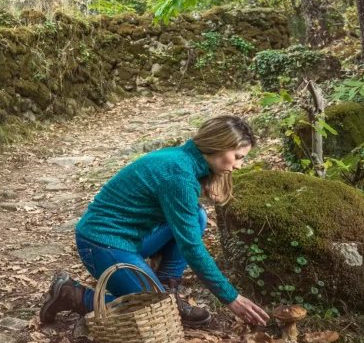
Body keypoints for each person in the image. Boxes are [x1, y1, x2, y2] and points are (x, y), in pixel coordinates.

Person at [40, 115, 270, 329]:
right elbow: (192, 247)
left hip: (133, 237)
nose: (239, 165)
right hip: (102, 242)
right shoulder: (179, 175)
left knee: (197, 215)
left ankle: (166, 291)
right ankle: (71, 294)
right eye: (238, 157)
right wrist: (230, 297)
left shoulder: (185, 160)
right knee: (155, 311)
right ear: (219, 145)